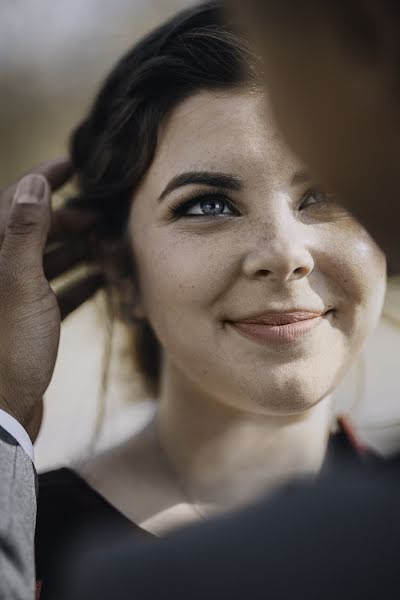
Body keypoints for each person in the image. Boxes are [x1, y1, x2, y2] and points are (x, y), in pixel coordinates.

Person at [29, 2, 386, 597]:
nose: (284, 251)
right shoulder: (31, 546)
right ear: (121, 267)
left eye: (326, 190)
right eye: (208, 205)